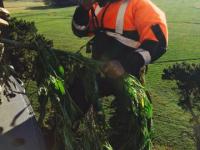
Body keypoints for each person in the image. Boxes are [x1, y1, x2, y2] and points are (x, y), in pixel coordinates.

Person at [71, 0, 168, 149]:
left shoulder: (141, 6)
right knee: (76, 92)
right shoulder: (97, 5)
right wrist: (84, 8)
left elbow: (158, 43)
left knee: (129, 125)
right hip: (99, 70)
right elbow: (80, 30)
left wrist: (126, 64)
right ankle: (67, 131)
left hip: (128, 76)